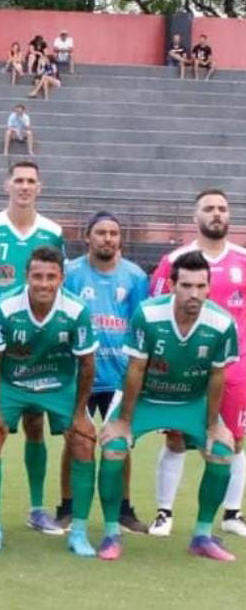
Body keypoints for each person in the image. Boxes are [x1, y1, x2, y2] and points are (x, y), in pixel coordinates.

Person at [97, 251, 238, 562]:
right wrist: (123, 421)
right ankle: (111, 533)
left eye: (201, 286)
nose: (194, 293)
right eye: (186, 285)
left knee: (221, 451)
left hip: (191, 400)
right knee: (113, 446)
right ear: (172, 285)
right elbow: (135, 369)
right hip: (145, 398)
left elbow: (217, 375)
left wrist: (213, 425)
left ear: (209, 288)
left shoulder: (222, 323)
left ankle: (202, 536)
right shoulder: (148, 315)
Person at [0, 160, 65, 533]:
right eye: (18, 180)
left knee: (36, 425)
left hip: (36, 344)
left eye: (31, 181)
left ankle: (36, 509)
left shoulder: (52, 231)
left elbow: (59, 282)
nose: (24, 186)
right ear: (7, 185)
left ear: (39, 187)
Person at [146, 189, 246, 538]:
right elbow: (155, 308)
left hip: (233, 368)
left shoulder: (243, 260)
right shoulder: (174, 260)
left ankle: (232, 513)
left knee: (235, 439)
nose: (216, 214)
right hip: (184, 367)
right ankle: (164, 513)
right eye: (209, 208)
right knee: (176, 439)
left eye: (222, 208)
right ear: (195, 217)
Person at [0, 246, 98, 555]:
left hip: (58, 386)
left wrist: (79, 414)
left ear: (62, 278)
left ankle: (78, 532)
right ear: (26, 276)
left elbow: (87, 364)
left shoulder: (76, 310)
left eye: (51, 277)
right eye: (37, 276)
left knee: (84, 442)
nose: (44, 283)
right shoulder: (5, 307)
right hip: (13, 383)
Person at [57, 212, 149, 534]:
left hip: (118, 375)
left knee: (120, 441)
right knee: (75, 440)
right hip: (79, 373)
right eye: (101, 232)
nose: (107, 238)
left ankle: (123, 509)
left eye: (113, 233)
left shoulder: (135, 276)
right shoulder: (70, 273)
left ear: (120, 238)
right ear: (88, 237)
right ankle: (67, 508)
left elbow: (140, 325)